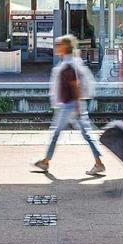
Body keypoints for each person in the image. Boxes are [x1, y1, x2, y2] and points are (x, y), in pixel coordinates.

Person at [34, 35, 105, 175]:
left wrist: (78, 107)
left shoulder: (68, 65)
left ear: (64, 47)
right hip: (71, 104)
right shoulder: (70, 62)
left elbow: (75, 86)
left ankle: (46, 162)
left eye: (58, 45)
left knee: (58, 133)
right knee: (85, 134)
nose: (56, 47)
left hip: (70, 105)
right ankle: (98, 162)